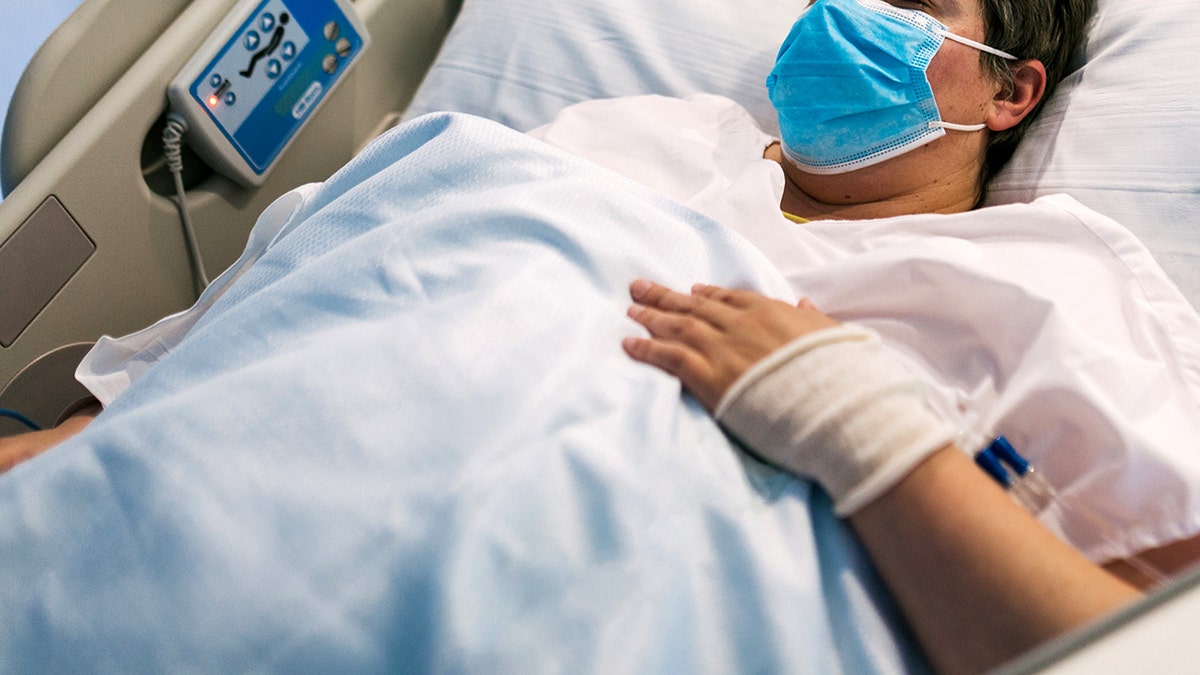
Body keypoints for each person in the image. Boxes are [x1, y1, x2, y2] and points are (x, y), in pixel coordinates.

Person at [0, 0, 1194, 672]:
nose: (847, 15)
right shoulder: (611, 139)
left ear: (1010, 94)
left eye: (911, 2)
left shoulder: (1063, 282)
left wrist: (861, 428)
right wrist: (56, 459)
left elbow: (1125, 643)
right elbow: (240, 359)